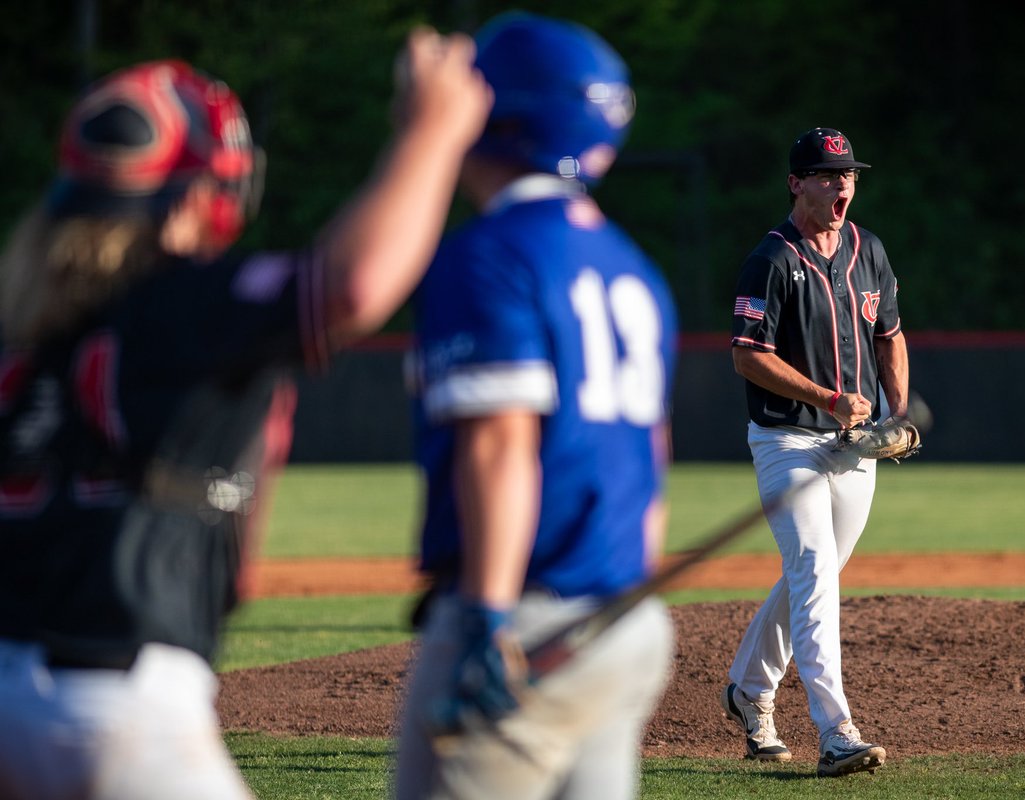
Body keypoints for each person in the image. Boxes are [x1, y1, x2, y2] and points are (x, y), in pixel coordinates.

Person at [0, 31, 490, 800]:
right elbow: (351, 287)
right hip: (114, 700)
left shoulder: (23, 325)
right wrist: (431, 130)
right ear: (205, 192)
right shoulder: (171, 301)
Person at [395, 12, 678, 800]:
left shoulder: (488, 253)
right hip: (622, 618)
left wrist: (486, 616)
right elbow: (651, 454)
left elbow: (499, 446)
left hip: (523, 620)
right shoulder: (634, 267)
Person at [720, 127, 909, 777]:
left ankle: (747, 690)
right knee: (813, 572)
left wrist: (896, 411)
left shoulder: (867, 249)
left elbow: (890, 334)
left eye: (849, 175)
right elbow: (748, 356)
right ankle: (836, 732)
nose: (841, 185)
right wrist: (830, 398)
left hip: (852, 444)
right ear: (796, 183)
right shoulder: (770, 260)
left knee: (817, 575)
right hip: (787, 439)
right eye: (827, 176)